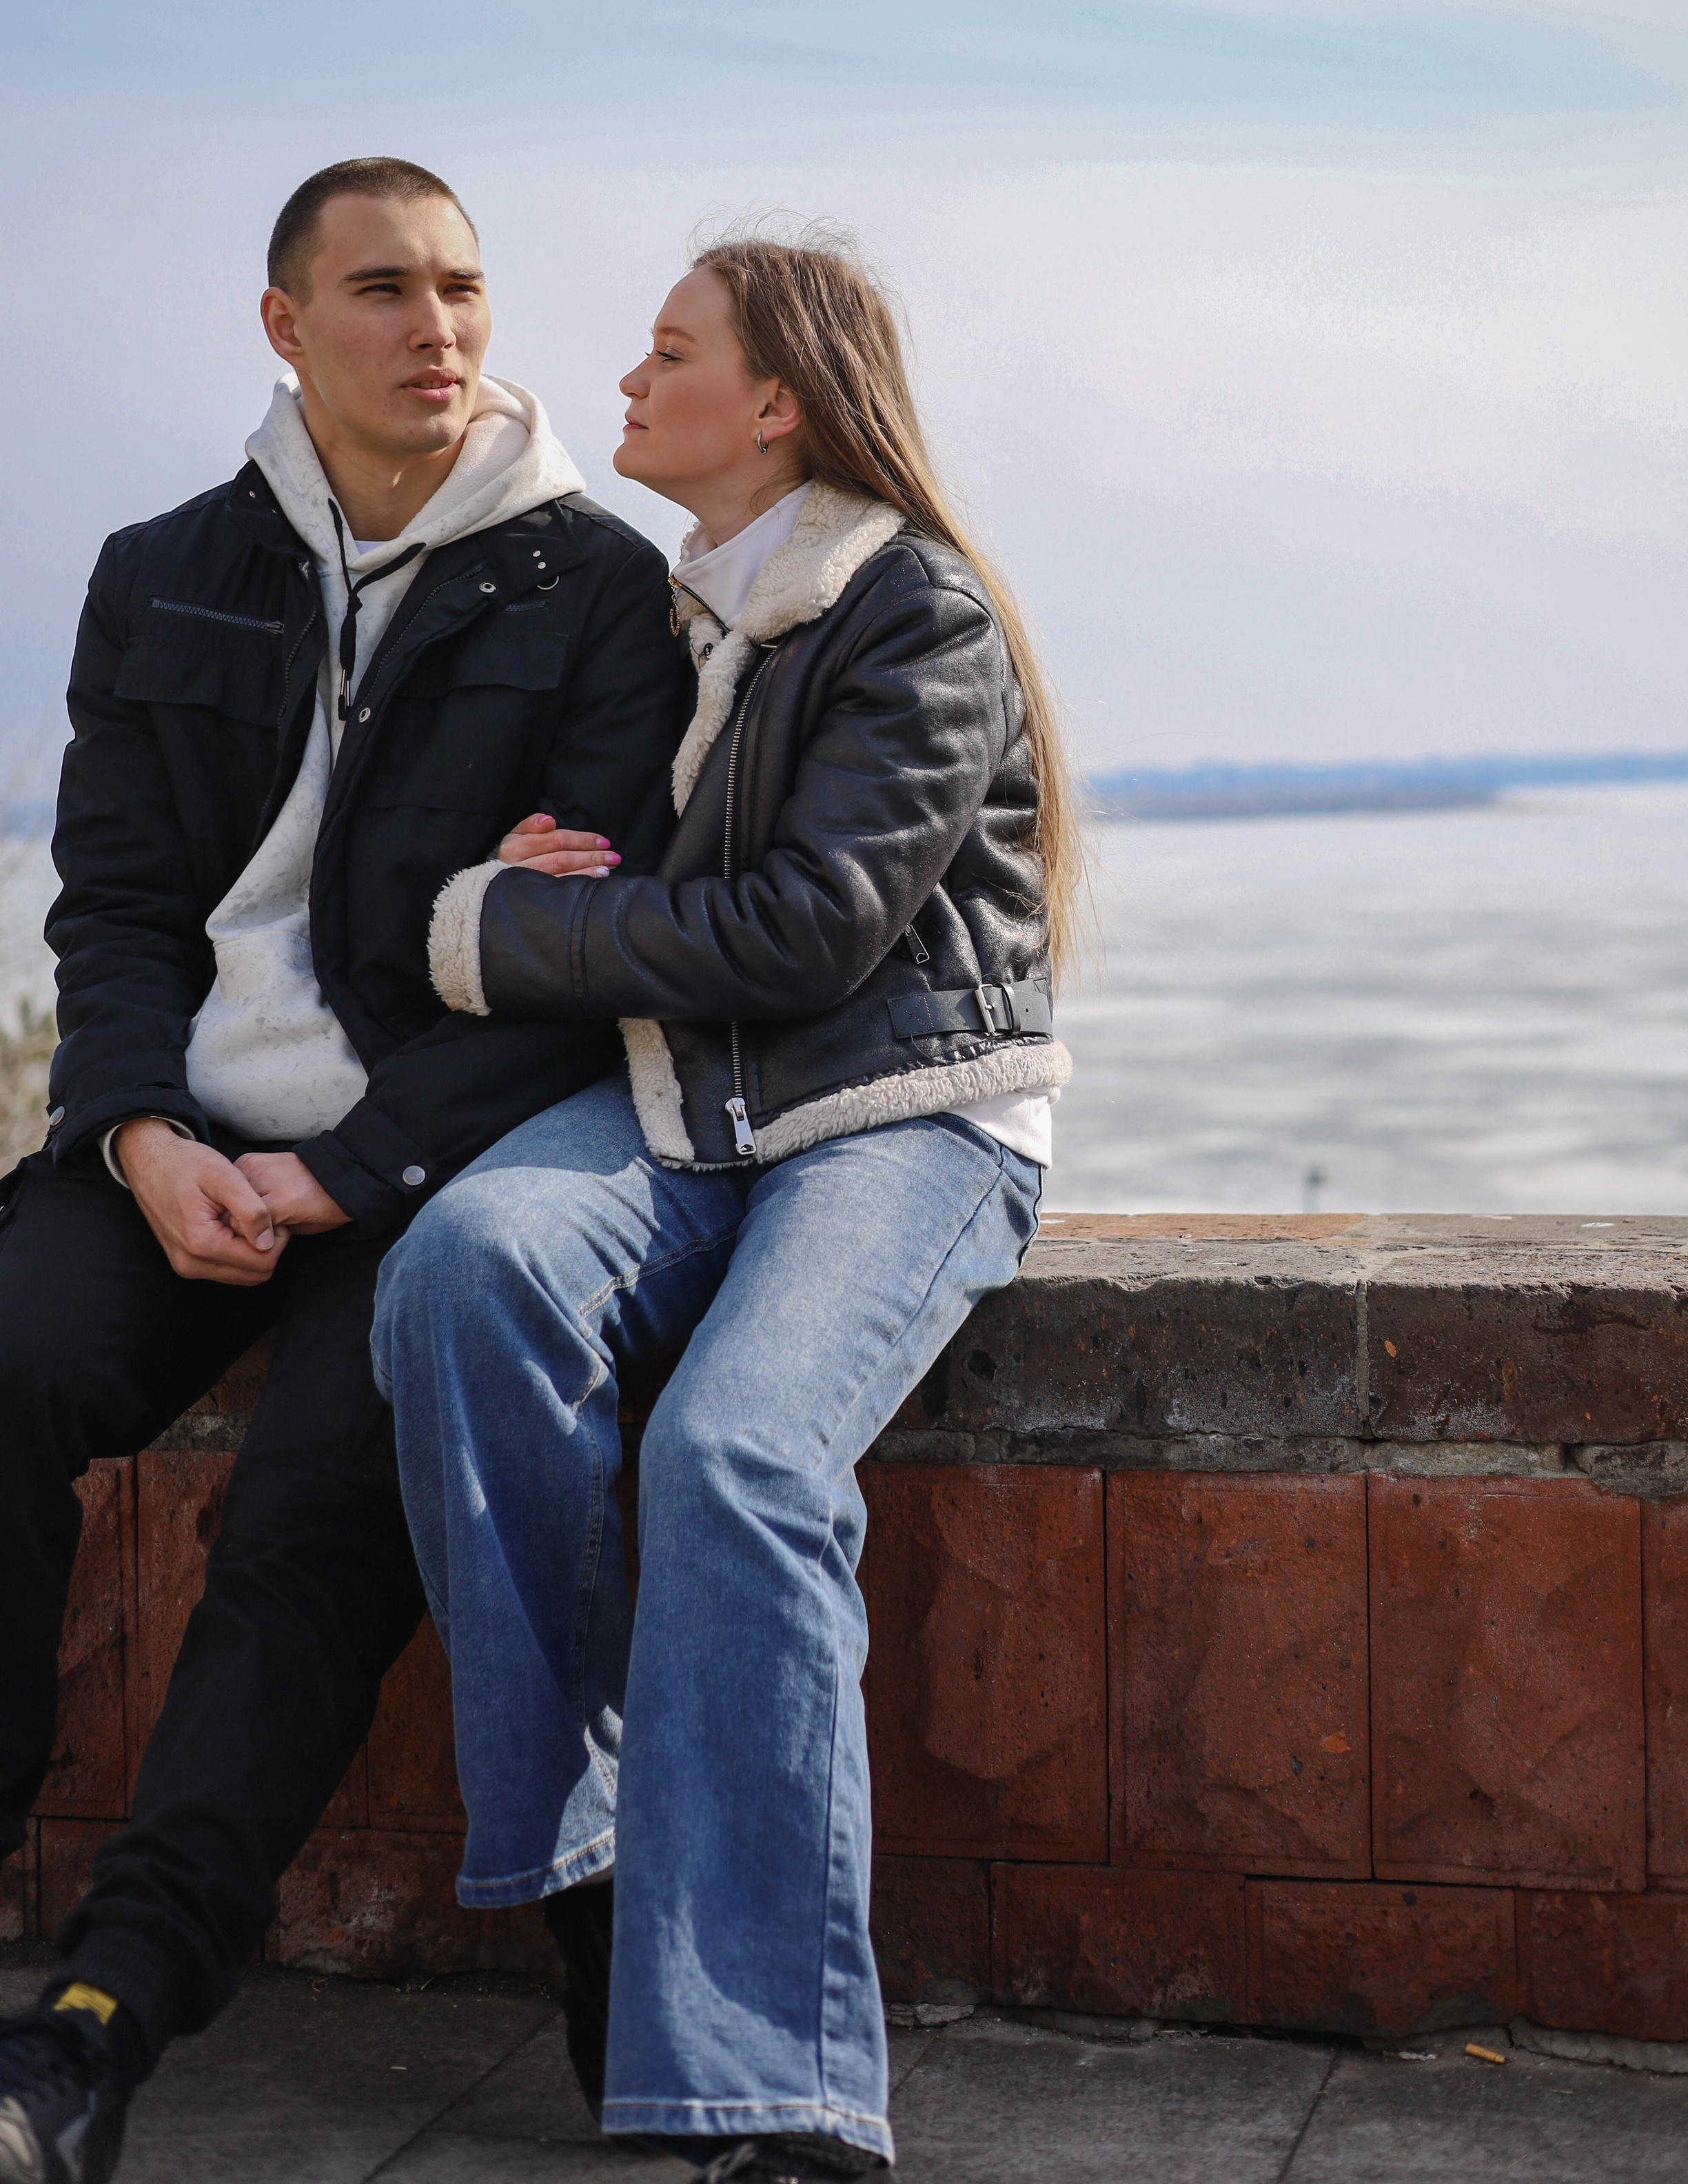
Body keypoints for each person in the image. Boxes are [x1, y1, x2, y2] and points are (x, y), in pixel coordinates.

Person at [0, 157, 685, 2184]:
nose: (440, 329)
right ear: (286, 324)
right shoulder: (163, 570)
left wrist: (356, 1172)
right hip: (182, 1135)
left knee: (309, 1521)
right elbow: (114, 907)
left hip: (416, 1172)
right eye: (384, 290)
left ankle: (108, 2015)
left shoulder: (599, 588)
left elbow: (575, 980)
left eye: (466, 289)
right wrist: (135, 1135)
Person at [373, 229, 1081, 2180]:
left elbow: (808, 925)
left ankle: (779, 2085)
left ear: (776, 400)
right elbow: (617, 872)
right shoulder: (684, 615)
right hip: (698, 1111)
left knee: (738, 1456)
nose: (626, 378)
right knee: (462, 1272)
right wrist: (546, 869)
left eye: (669, 350)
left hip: (906, 1122)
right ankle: (588, 1868)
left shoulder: (907, 610)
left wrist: (511, 930)